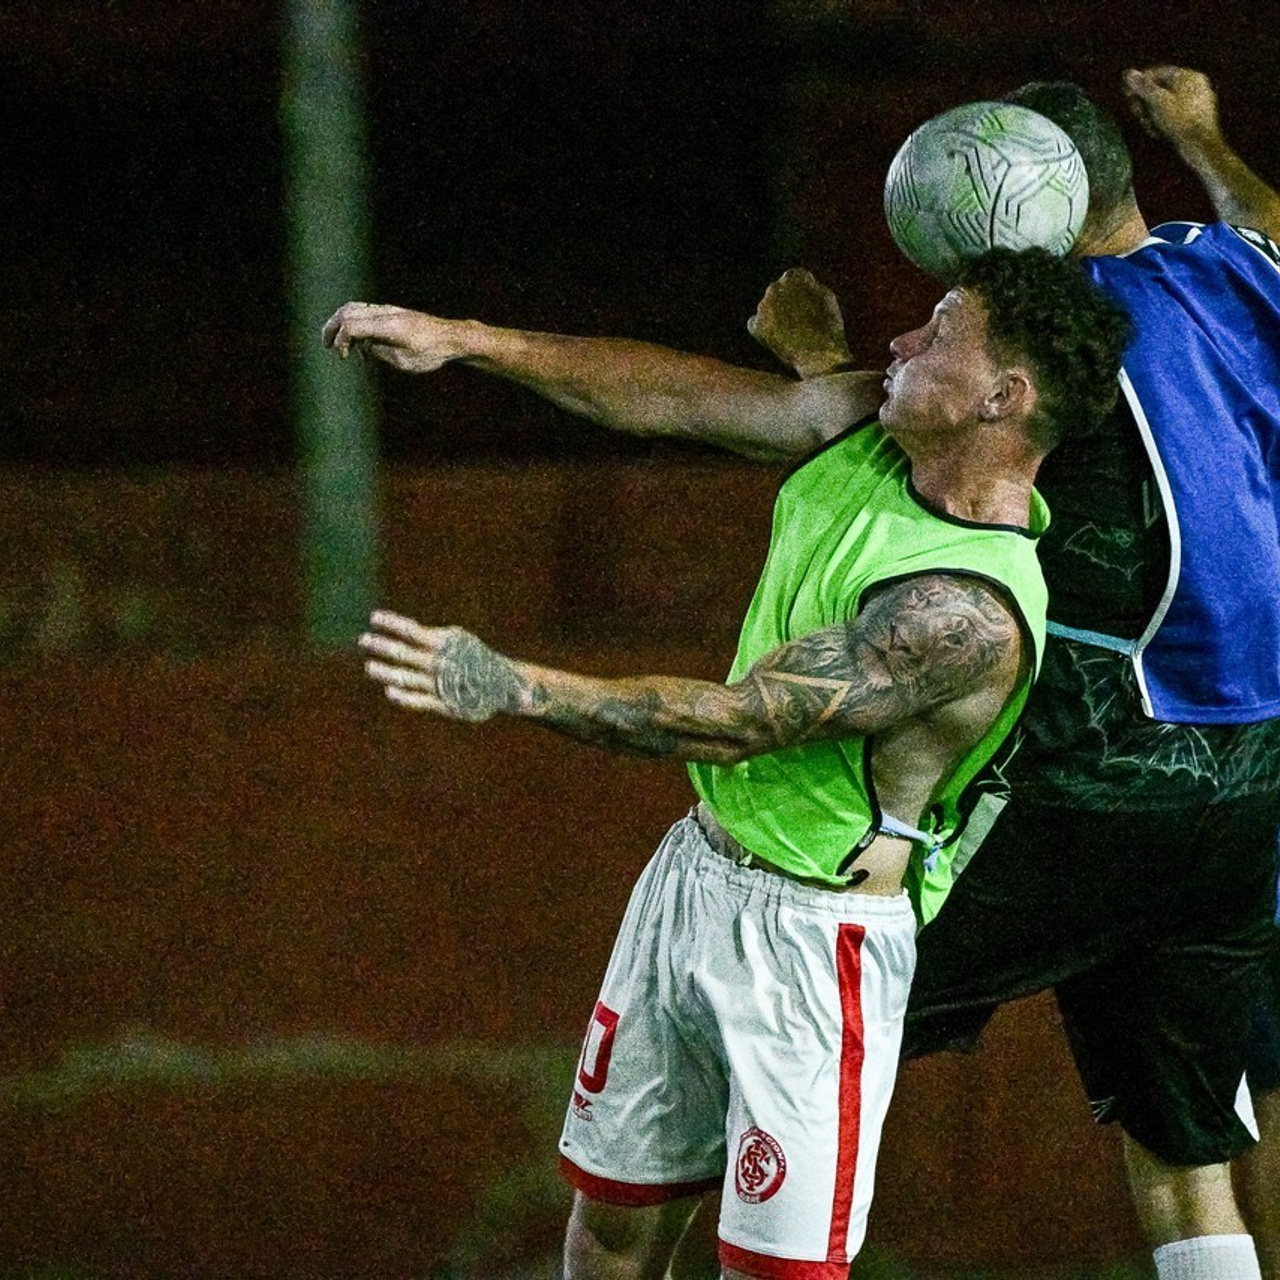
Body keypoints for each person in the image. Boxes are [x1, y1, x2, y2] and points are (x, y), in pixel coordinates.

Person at [327, 249, 1130, 1280]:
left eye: (933, 334)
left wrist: (517, 686)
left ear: (1000, 397)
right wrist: (465, 339)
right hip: (693, 877)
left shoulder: (964, 613)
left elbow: (734, 722)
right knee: (610, 1227)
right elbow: (665, 396)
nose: (898, 343)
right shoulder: (857, 428)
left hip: (811, 944)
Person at [746, 67, 1280, 1280]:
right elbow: (1269, 227)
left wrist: (818, 356)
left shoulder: (1056, 336)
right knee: (1188, 1135)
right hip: (1251, 766)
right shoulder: (1226, 268)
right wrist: (1204, 135)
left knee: (810, 1020)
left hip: (1101, 752)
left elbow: (923, 455)